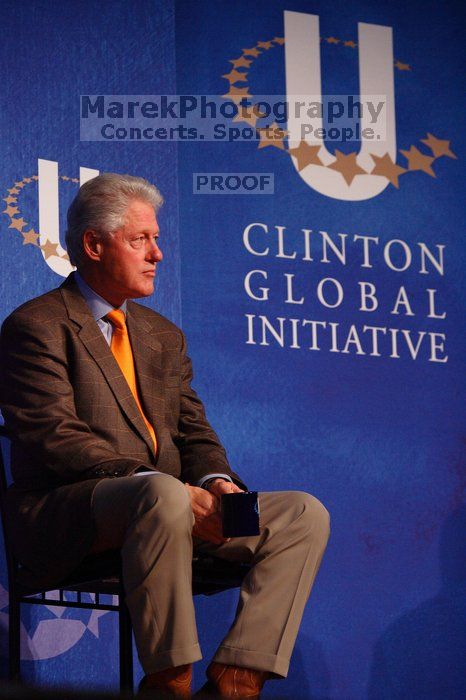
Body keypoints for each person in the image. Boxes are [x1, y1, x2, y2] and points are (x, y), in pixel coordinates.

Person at [0, 173, 330, 698]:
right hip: (70, 513)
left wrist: (218, 482)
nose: (157, 254)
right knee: (161, 493)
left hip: (174, 508)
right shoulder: (37, 326)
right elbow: (53, 436)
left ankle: (238, 678)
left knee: (301, 514)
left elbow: (195, 433)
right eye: (141, 240)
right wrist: (162, 484)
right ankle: (169, 679)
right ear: (92, 244)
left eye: (157, 240)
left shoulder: (162, 336)